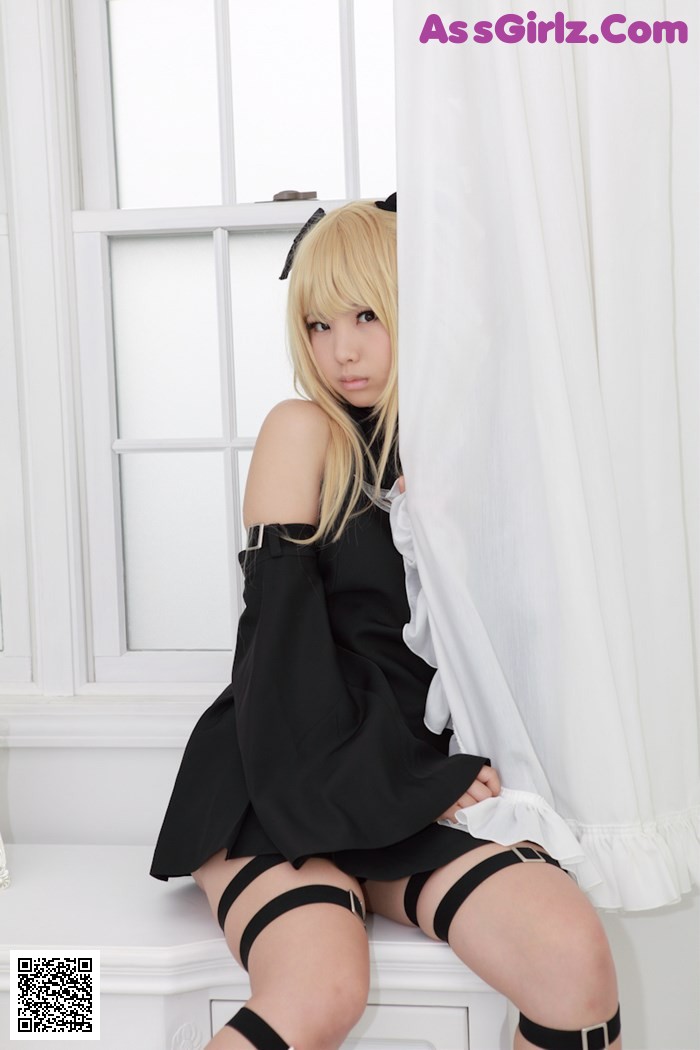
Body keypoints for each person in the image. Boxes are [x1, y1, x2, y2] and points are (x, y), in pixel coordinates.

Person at [150, 197, 621, 1050]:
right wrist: (410, 779)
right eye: (319, 324)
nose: (343, 350)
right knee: (320, 988)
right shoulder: (303, 432)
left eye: (367, 315)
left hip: (411, 789)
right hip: (283, 773)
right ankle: (45, 1006)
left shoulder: (463, 451)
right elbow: (279, 660)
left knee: (573, 965)